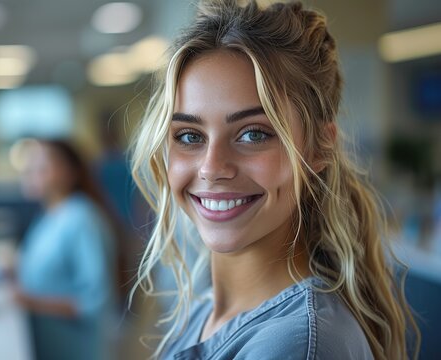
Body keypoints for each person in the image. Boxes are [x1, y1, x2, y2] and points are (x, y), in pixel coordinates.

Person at [129, 1, 419, 359]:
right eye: (189, 136)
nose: (211, 167)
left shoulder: (297, 345)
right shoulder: (209, 311)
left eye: (253, 134)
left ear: (318, 149)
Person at [15, 138, 118, 360]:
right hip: (46, 342)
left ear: (70, 172)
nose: (30, 170)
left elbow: (94, 301)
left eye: (41, 165)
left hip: (76, 349)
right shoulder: (50, 213)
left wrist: (30, 301)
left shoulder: (82, 218)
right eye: (29, 164)